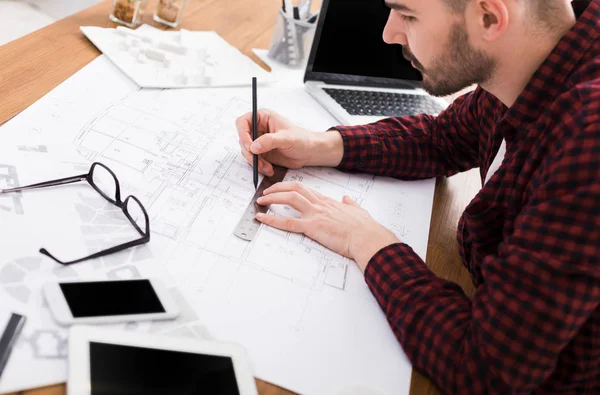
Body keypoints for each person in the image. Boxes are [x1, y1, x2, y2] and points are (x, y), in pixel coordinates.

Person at [235, 0, 599, 393]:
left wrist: (367, 241)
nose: (388, 33)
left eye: (407, 14)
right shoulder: (534, 54)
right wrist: (319, 145)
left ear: (490, 17)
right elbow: (443, 139)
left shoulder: (587, 137)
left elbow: (482, 371)